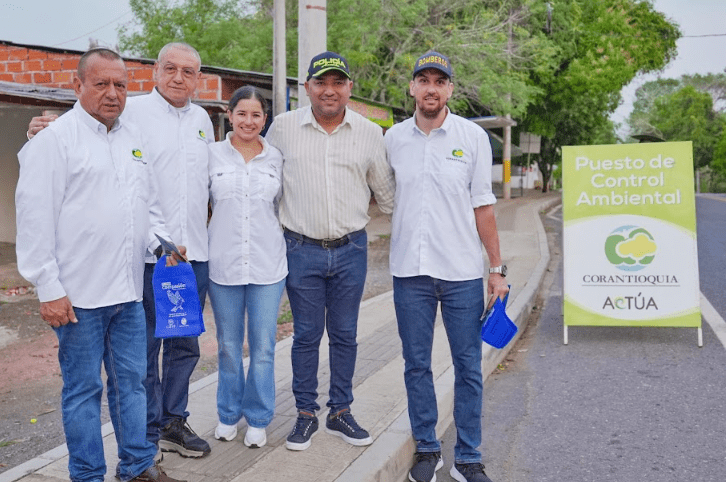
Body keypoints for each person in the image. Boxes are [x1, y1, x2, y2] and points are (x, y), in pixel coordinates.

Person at [28, 42, 214, 460]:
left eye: (189, 72)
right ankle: (120, 454)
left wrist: (170, 242)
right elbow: (39, 210)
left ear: (199, 79)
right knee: (116, 372)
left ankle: (158, 439)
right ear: (154, 72)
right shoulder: (121, 116)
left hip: (174, 263)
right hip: (114, 277)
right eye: (171, 68)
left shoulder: (198, 120)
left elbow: (176, 194)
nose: (179, 78)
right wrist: (39, 133)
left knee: (173, 352)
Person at [384, 51, 509, 482]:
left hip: (460, 273)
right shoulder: (394, 139)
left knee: (468, 366)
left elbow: (484, 206)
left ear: (450, 89)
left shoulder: (472, 137)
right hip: (409, 273)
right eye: (424, 80)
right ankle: (427, 449)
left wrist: (497, 269)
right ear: (413, 88)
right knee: (416, 364)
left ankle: (469, 457)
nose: (431, 88)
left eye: (440, 81)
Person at [265, 51, 395, 451]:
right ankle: (305, 414)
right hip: (300, 249)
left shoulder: (371, 133)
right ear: (307, 87)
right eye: (321, 83)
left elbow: (387, 197)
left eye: (338, 83)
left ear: (349, 88)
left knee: (345, 334)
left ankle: (340, 412)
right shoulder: (282, 129)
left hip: (351, 249)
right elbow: (265, 188)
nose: (329, 90)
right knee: (305, 336)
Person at [207, 86, 287, 448]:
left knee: (263, 347)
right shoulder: (211, 156)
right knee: (227, 345)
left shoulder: (276, 159)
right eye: (242, 114)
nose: (248, 121)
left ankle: (257, 418)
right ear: (230, 114)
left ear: (264, 119)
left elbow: (285, 209)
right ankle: (227, 414)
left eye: (256, 115)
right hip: (222, 265)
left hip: (268, 266)